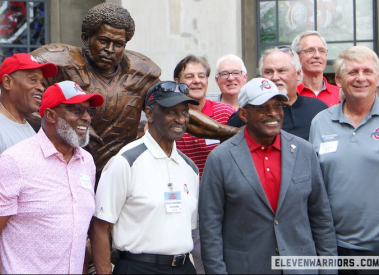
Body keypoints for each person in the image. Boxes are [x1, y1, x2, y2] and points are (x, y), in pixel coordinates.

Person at [31, 2, 238, 182]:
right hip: (64, 167)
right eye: (103, 41)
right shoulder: (60, 61)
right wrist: (66, 124)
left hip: (119, 173)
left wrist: (228, 132)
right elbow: (20, 98)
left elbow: (174, 110)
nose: (110, 50)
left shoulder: (140, 72)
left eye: (118, 44)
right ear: (87, 38)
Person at [199, 78, 337, 274]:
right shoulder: (221, 158)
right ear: (243, 114)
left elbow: (321, 219)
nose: (273, 113)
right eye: (263, 108)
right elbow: (210, 228)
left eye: (277, 106)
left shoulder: (304, 151)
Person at [0, 81, 104, 274]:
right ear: (51, 115)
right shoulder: (14, 162)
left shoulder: (86, 162)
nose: (86, 117)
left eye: (89, 111)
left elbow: (77, 238)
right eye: (77, 110)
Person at [91, 81, 200, 274]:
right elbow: (100, 228)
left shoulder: (189, 168)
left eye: (184, 112)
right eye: (171, 112)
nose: (181, 119)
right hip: (139, 267)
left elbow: (187, 228)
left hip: (183, 267)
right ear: (149, 114)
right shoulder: (126, 162)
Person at [309, 46, 379, 271]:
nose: (360, 78)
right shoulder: (320, 122)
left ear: (377, 78)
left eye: (367, 71)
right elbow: (313, 183)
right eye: (352, 72)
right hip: (333, 247)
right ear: (338, 79)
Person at [173, 55, 235, 274]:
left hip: (218, 200)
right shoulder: (171, 118)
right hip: (183, 201)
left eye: (202, 76)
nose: (197, 80)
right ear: (177, 81)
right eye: (189, 76)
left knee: (213, 256)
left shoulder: (225, 114)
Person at [0, 53, 58, 186]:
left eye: (41, 82)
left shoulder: (27, 125)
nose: (41, 87)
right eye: (33, 80)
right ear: (8, 82)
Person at [227, 46, 328, 141]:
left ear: (298, 74)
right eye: (268, 72)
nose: (275, 77)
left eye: (281, 71)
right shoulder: (249, 113)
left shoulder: (318, 109)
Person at [292, 31, 340, 107]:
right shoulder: (290, 95)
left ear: (326, 56)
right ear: (297, 57)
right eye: (310, 51)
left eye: (321, 51)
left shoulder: (341, 95)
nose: (317, 55)